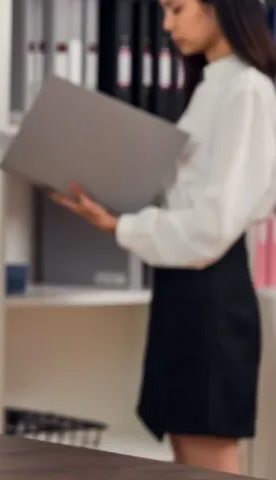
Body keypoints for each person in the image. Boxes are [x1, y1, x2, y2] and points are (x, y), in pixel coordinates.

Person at [51, 0, 276, 473]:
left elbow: (213, 226)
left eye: (177, 9)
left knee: (207, 455)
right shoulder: (211, 84)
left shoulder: (248, 89)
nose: (166, 25)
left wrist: (121, 226)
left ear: (219, 9)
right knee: (184, 454)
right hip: (183, 288)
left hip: (212, 292)